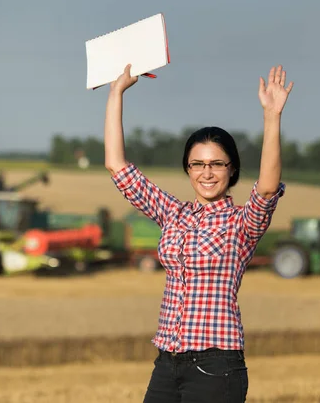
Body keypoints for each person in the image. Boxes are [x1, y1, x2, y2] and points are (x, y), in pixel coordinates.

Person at [104, 64, 293, 403]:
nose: (207, 173)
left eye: (217, 164)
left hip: (216, 366)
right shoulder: (173, 214)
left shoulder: (242, 224)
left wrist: (272, 116)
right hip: (166, 360)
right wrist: (116, 92)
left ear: (231, 169)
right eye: (198, 164)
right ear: (187, 168)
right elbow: (117, 166)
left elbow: (266, 189)